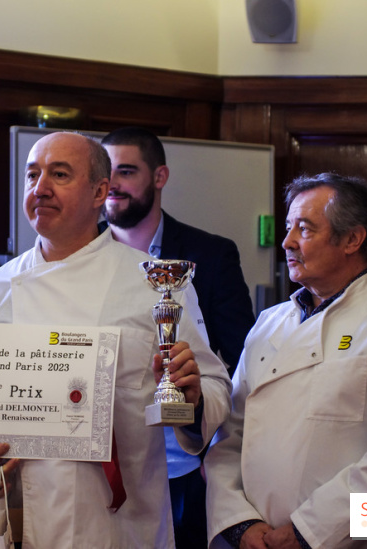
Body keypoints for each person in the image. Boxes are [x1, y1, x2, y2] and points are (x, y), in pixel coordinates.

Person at [0, 131, 232, 548]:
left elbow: (214, 386)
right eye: (32, 175)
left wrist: (190, 396)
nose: (40, 188)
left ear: (99, 192)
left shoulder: (152, 281)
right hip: (18, 513)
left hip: (117, 521)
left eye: (60, 174)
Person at [205, 173, 367, 548]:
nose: (286, 242)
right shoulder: (269, 322)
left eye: (304, 229)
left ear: (352, 238)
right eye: (288, 228)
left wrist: (305, 533)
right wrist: (240, 524)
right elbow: (230, 435)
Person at [101, 127, 254, 548]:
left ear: (160, 177)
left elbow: (241, 356)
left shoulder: (210, 254)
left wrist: (217, 450)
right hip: (103, 464)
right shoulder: (81, 253)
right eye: (106, 171)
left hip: (187, 461)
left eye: (127, 171)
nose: (113, 183)